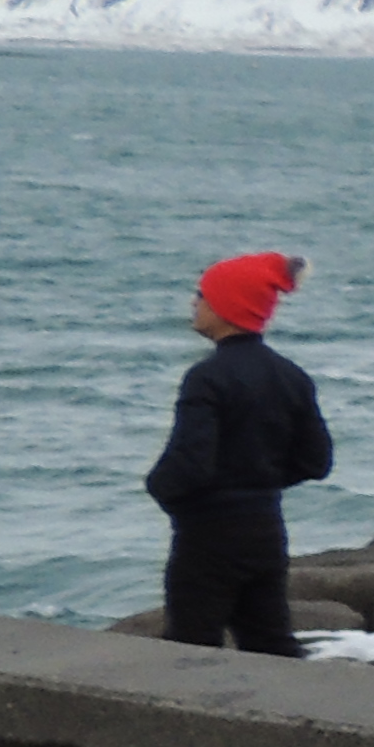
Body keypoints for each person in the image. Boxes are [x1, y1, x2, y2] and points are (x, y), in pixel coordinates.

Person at [145, 251, 331, 653]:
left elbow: (189, 463)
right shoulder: (291, 375)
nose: (194, 303)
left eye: (202, 295)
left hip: (208, 534)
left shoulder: (207, 377)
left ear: (227, 306)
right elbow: (316, 462)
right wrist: (259, 482)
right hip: (266, 527)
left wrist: (159, 488)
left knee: (190, 647)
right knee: (270, 643)